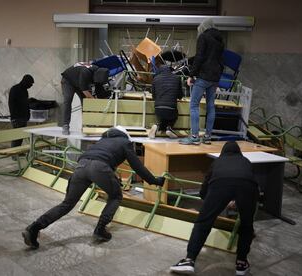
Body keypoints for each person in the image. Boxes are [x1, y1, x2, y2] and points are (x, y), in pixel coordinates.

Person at [22, 126, 165, 248]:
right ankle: (100, 229)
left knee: (67, 204)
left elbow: (102, 159)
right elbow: (138, 167)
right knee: (116, 196)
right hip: (99, 168)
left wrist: (112, 177)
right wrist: (155, 181)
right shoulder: (125, 142)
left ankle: (34, 228)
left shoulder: (102, 140)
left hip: (81, 166)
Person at [170, 141, 258, 275]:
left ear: (223, 152)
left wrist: (210, 201)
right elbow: (249, 182)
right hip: (248, 187)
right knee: (246, 225)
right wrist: (239, 202)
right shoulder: (245, 161)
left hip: (220, 186)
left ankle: (189, 260)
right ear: (239, 152)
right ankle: (241, 263)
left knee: (203, 222)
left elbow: (205, 189)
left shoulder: (217, 162)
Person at [179, 18, 224, 145]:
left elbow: (199, 57)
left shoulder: (203, 37)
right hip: (215, 78)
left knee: (194, 105)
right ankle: (208, 137)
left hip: (203, 76)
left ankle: (194, 136)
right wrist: (218, 76)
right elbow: (221, 60)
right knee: (211, 106)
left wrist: (191, 75)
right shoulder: (220, 40)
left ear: (203, 27)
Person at [61, 64, 109, 135]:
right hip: (68, 81)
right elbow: (85, 91)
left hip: (79, 82)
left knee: (86, 103)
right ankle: (65, 125)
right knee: (68, 100)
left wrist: (103, 101)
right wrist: (94, 101)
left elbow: (99, 91)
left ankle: (87, 124)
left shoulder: (99, 73)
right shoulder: (85, 72)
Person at [148, 65, 183, 139]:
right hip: (171, 108)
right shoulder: (177, 78)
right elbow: (180, 95)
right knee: (173, 116)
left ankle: (157, 126)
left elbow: (153, 96)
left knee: (163, 118)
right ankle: (169, 128)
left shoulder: (155, 79)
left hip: (158, 108)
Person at [8, 74, 34, 147]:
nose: (31, 85)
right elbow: (12, 104)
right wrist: (14, 117)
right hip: (17, 118)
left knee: (20, 137)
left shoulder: (25, 91)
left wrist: (28, 114)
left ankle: (18, 152)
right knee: (16, 137)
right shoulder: (15, 89)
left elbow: (25, 103)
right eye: (30, 83)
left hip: (23, 117)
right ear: (26, 81)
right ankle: (14, 153)